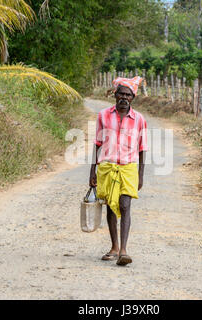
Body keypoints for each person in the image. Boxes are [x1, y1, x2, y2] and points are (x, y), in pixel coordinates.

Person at [89, 76, 148, 266]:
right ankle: (114, 247)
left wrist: (140, 174)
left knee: (125, 205)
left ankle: (124, 250)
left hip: (129, 168)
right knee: (111, 206)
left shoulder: (139, 119)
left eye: (128, 95)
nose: (124, 97)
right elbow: (97, 144)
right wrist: (92, 171)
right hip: (107, 167)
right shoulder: (103, 115)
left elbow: (142, 148)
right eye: (121, 94)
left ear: (133, 98)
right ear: (114, 95)